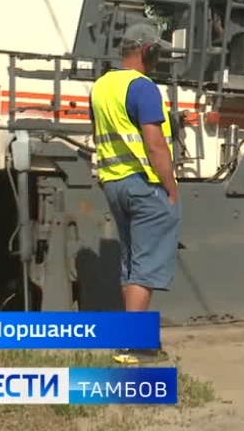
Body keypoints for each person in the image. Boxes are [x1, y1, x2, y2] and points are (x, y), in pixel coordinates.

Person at [88, 23, 181, 365]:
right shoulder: (143, 88)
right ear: (147, 51)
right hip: (145, 185)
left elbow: (100, 135)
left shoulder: (100, 87)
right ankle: (132, 346)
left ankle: (138, 338)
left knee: (131, 261)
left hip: (114, 183)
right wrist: (170, 188)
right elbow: (155, 145)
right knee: (146, 265)